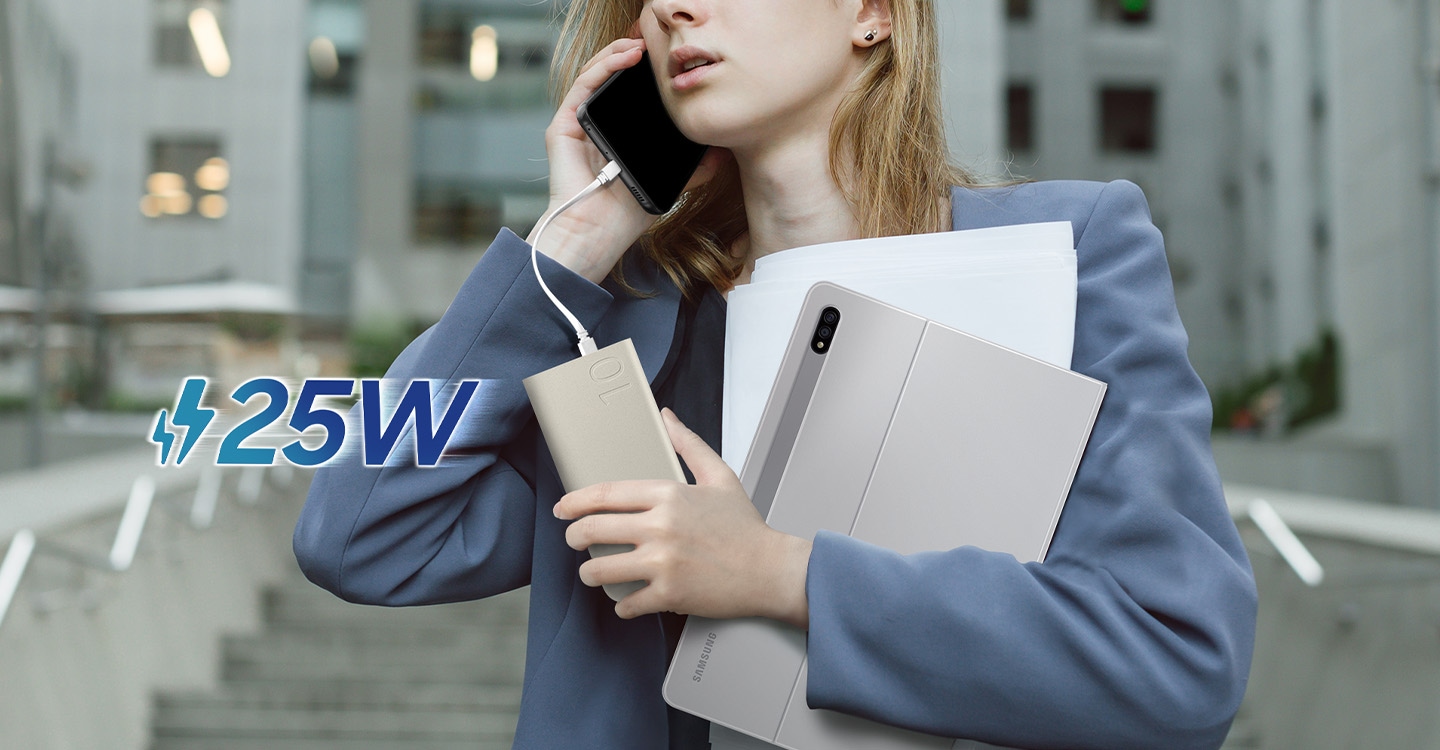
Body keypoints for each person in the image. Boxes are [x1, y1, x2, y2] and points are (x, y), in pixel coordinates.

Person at [292, 0, 1258, 748]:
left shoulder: (1067, 254)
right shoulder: (630, 329)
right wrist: (568, 249)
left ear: (872, 10)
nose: (675, 8)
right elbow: (362, 533)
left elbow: (1176, 662)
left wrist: (778, 576)